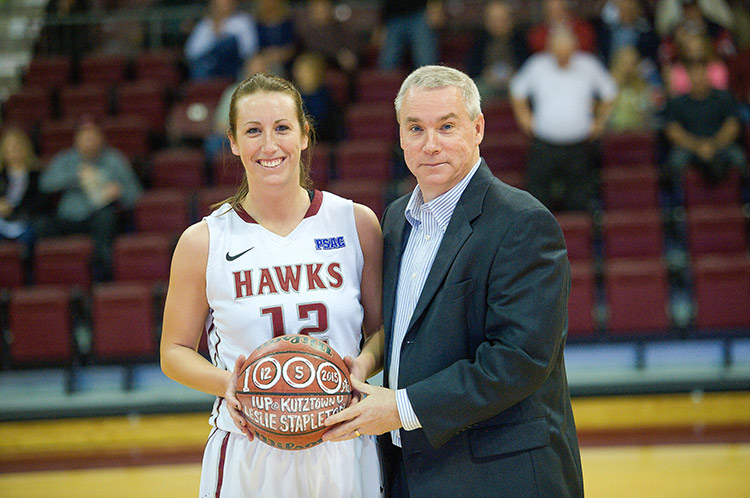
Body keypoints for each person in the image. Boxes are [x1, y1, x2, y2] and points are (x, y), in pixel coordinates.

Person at [323, 65, 584, 497]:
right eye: (415, 128)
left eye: (447, 126)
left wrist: (402, 408)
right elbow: (405, 334)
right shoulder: (393, 220)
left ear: (478, 127)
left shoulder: (523, 222)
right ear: (400, 135)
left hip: (503, 475)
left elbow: (519, 360)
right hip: (414, 471)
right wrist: (365, 365)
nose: (430, 145)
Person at [159, 73, 384, 498]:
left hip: (343, 441)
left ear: (303, 135)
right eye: (252, 131)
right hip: (248, 450)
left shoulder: (355, 223)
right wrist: (225, 383)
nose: (269, 145)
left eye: (282, 128)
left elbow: (383, 333)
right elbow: (173, 352)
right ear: (233, 142)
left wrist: (364, 366)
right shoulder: (203, 241)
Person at [510, 26, 618, 212]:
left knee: (578, 200)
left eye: (566, 53)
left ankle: (578, 239)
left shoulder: (588, 65)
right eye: (558, 52)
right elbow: (517, 90)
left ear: (574, 49)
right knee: (537, 199)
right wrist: (524, 118)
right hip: (544, 144)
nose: (562, 57)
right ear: (550, 49)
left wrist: (600, 121)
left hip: (579, 145)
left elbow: (610, 91)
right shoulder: (537, 65)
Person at [38, 116, 143, 281]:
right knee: (41, 226)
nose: (89, 141)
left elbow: (135, 195)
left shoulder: (114, 160)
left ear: (101, 138)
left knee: (106, 220)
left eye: (93, 136)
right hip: (67, 218)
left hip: (98, 216)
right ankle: (50, 279)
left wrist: (118, 191)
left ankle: (105, 278)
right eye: (84, 137)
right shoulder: (65, 159)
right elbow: (45, 184)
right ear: (76, 140)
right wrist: (75, 177)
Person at [664, 57, 748, 191]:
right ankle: (675, 206)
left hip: (720, 144)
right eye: (694, 75)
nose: (698, 79)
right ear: (688, 77)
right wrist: (698, 146)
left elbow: (732, 126)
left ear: (707, 75)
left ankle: (746, 201)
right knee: (674, 162)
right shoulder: (677, 103)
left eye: (701, 74)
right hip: (689, 147)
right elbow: (673, 131)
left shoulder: (723, 98)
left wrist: (713, 145)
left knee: (739, 158)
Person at [465, 0, 528, 100]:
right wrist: (486, 74)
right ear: (487, 21)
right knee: (474, 93)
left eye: (502, 20)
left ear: (510, 20)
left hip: (514, 81)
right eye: (494, 20)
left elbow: (529, 67)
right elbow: (471, 68)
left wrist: (515, 74)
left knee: (525, 89)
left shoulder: (520, 40)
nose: (498, 24)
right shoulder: (480, 40)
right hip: (488, 82)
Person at [184, 0, 259, 80]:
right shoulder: (205, 24)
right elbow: (191, 53)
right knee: (204, 63)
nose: (223, 7)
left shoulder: (243, 21)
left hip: (233, 66)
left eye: (226, 3)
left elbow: (250, 51)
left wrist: (222, 38)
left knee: (229, 41)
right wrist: (213, 36)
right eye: (219, 4)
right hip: (207, 67)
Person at [0, 127, 46, 248]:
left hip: (27, 219)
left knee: (32, 234)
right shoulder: (1, 176)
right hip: (2, 220)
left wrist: (14, 208)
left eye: (17, 147)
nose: (13, 151)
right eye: (10, 148)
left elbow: (42, 202)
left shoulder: (36, 175)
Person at [294, 0, 361, 74]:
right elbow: (308, 51)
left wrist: (349, 54)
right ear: (311, 11)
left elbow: (353, 46)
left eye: (324, 8)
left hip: (340, 67)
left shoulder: (342, 29)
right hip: (317, 64)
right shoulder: (306, 32)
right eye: (318, 9)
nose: (321, 12)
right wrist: (337, 55)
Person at [608, 45, 663, 131]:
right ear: (616, 63)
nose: (628, 67)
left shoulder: (643, 86)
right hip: (612, 134)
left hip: (638, 133)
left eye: (632, 63)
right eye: (624, 63)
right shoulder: (606, 85)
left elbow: (647, 113)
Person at [378, 0, 443, 70]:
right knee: (388, 60)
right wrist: (381, 24)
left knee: (425, 60)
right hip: (393, 17)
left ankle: (429, 79)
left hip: (419, 13)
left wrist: (436, 8)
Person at [527, 0, 598, 54]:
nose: (555, 7)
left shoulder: (583, 28)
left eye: (558, 3)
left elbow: (586, 47)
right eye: (550, 4)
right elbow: (537, 48)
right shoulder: (538, 33)